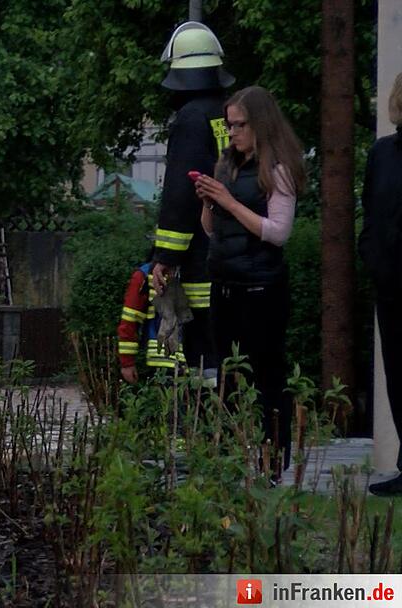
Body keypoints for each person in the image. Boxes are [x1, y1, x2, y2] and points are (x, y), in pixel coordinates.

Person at [193, 85, 306, 477]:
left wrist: (229, 201)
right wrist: (209, 201)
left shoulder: (278, 169)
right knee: (226, 378)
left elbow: (278, 232)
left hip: (262, 289)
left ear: (260, 123)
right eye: (229, 125)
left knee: (267, 378)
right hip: (225, 284)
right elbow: (211, 230)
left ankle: (273, 463)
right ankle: (229, 462)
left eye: (240, 125)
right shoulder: (227, 165)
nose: (233, 132)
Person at [151, 21, 235, 379]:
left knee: (203, 354)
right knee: (230, 352)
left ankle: (209, 411)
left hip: (201, 259)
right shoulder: (231, 113)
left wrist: (165, 257)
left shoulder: (190, 118)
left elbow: (180, 193)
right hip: (234, 250)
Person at [360, 73, 402, 496]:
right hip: (391, 283)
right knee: (397, 374)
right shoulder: (382, 153)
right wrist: (371, 256)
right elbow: (371, 211)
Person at [117, 254, 185, 383]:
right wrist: (127, 362)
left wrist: (127, 363)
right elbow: (130, 318)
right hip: (165, 364)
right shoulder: (145, 275)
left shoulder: (199, 269)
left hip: (199, 360)